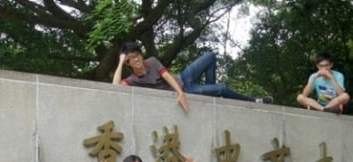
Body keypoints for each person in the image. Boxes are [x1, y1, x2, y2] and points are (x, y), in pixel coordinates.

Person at [113, 42, 273, 112]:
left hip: (183, 79)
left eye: (137, 55)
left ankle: (212, 99)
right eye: (131, 59)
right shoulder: (132, 80)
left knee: (210, 56)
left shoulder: (152, 62)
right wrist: (120, 61)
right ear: (128, 63)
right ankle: (254, 101)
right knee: (222, 88)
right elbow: (115, 87)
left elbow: (167, 77)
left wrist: (180, 93)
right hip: (190, 89)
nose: (136, 59)